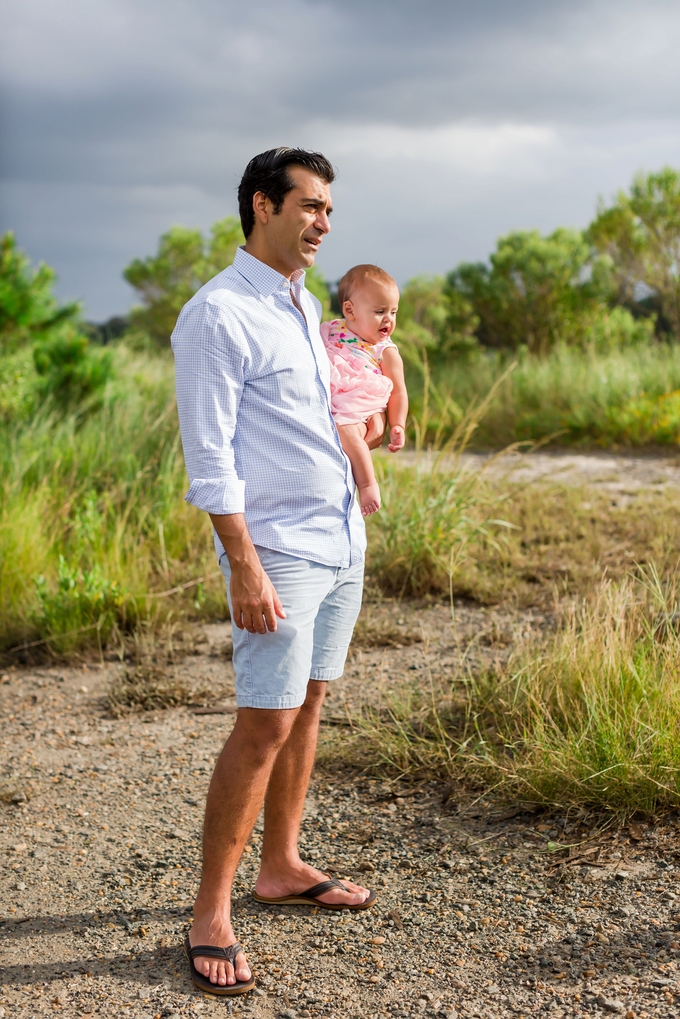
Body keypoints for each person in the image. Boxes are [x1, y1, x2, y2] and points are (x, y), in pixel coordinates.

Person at [171, 147, 382, 997]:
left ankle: (283, 865)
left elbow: (330, 412)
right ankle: (210, 912)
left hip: (337, 540)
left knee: (311, 702)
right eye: (310, 205)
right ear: (263, 204)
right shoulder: (218, 313)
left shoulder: (301, 305)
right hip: (279, 551)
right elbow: (210, 456)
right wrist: (246, 564)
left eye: (330, 209)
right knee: (264, 721)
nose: (324, 222)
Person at [320, 265, 408, 515]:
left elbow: (399, 391)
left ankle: (368, 484)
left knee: (347, 431)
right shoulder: (332, 330)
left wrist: (397, 424)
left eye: (393, 312)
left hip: (359, 406)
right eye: (380, 311)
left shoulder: (385, 351)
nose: (389, 320)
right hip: (333, 395)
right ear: (350, 310)